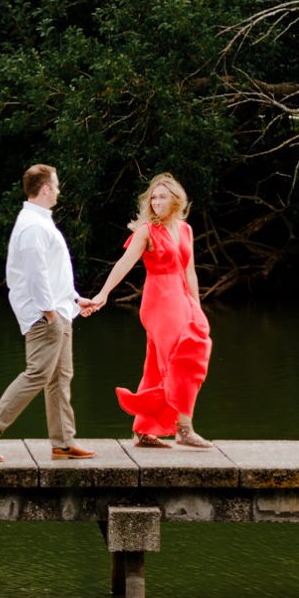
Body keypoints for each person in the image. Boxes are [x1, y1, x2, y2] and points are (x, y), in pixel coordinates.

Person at [0, 164, 105, 462]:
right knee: (38, 374)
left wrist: (75, 299)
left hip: (60, 309)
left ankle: (63, 443)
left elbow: (54, 272)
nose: (59, 190)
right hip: (46, 315)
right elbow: (35, 274)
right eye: (56, 185)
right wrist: (49, 312)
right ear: (45, 189)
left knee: (60, 377)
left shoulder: (40, 221)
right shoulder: (32, 225)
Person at [88, 172, 213, 448]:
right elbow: (124, 262)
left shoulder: (185, 229)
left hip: (182, 300)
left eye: (162, 197)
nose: (156, 202)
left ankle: (144, 430)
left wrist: (197, 306)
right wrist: (103, 293)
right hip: (159, 302)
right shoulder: (146, 230)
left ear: (175, 199)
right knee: (179, 362)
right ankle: (184, 428)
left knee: (161, 365)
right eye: (153, 197)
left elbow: (189, 271)